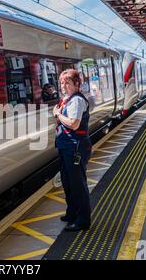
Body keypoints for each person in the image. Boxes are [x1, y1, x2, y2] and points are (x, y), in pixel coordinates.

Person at [53, 69, 92, 232]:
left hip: (75, 147)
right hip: (67, 146)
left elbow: (74, 123)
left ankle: (83, 219)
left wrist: (57, 114)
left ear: (76, 84)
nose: (63, 86)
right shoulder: (68, 99)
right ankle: (72, 212)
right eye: (62, 83)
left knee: (77, 184)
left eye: (67, 83)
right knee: (68, 182)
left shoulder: (76, 100)